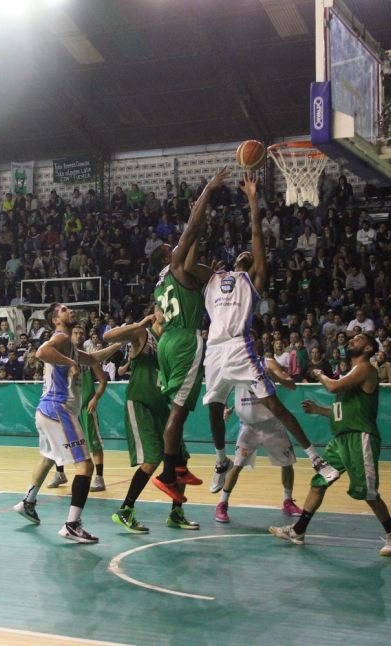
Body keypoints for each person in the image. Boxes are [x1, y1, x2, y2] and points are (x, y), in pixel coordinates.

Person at [202, 173, 332, 494]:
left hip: (239, 347)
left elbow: (257, 239)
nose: (245, 256)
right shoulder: (215, 279)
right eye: (241, 256)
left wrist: (252, 202)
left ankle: (316, 458)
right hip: (214, 349)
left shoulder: (251, 282)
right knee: (213, 407)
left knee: (275, 406)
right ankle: (220, 461)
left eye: (249, 258)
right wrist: (206, 197)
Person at [269, 332, 391, 557]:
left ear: (368, 348)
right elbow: (342, 411)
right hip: (340, 439)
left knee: (368, 493)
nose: (352, 340)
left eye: (358, 339)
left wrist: (319, 374)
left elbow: (333, 387)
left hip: (360, 438)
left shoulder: (366, 369)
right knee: (319, 482)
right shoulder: (352, 372)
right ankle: (298, 531)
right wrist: (318, 410)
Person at [150, 166, 231, 502]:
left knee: (177, 409)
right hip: (185, 341)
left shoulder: (161, 284)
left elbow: (193, 249)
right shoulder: (175, 266)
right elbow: (192, 227)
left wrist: (199, 239)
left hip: (166, 343)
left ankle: (179, 466)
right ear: (167, 256)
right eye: (172, 247)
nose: (176, 247)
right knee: (178, 413)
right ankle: (168, 473)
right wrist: (208, 190)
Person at [12, 303, 120, 544]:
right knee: (86, 466)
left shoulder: (69, 345)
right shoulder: (60, 337)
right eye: (63, 310)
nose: (70, 311)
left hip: (46, 410)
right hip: (58, 409)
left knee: (48, 458)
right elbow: (41, 352)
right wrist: (70, 363)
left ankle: (28, 501)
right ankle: (72, 524)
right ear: (55, 320)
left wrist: (121, 342)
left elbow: (94, 358)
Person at [104, 310, 199, 534]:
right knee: (153, 458)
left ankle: (176, 512)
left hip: (161, 407)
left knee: (180, 459)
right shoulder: (143, 335)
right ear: (155, 313)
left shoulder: (169, 343)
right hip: (140, 403)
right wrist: (141, 321)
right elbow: (108, 336)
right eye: (164, 309)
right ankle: (125, 510)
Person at [214, 356, 304, 523]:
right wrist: (225, 408)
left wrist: (276, 377)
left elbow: (291, 385)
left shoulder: (268, 363)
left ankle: (288, 501)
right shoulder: (235, 363)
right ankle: (222, 504)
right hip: (249, 427)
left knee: (287, 464)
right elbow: (222, 388)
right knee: (237, 465)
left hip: (272, 424)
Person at [47, 325, 109, 491]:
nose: (79, 335)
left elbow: (103, 380)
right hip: (67, 406)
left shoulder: (88, 357)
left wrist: (95, 398)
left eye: (82, 333)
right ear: (70, 335)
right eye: (76, 333)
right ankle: (60, 473)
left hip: (85, 407)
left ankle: (99, 478)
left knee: (94, 442)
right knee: (59, 440)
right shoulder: (63, 357)